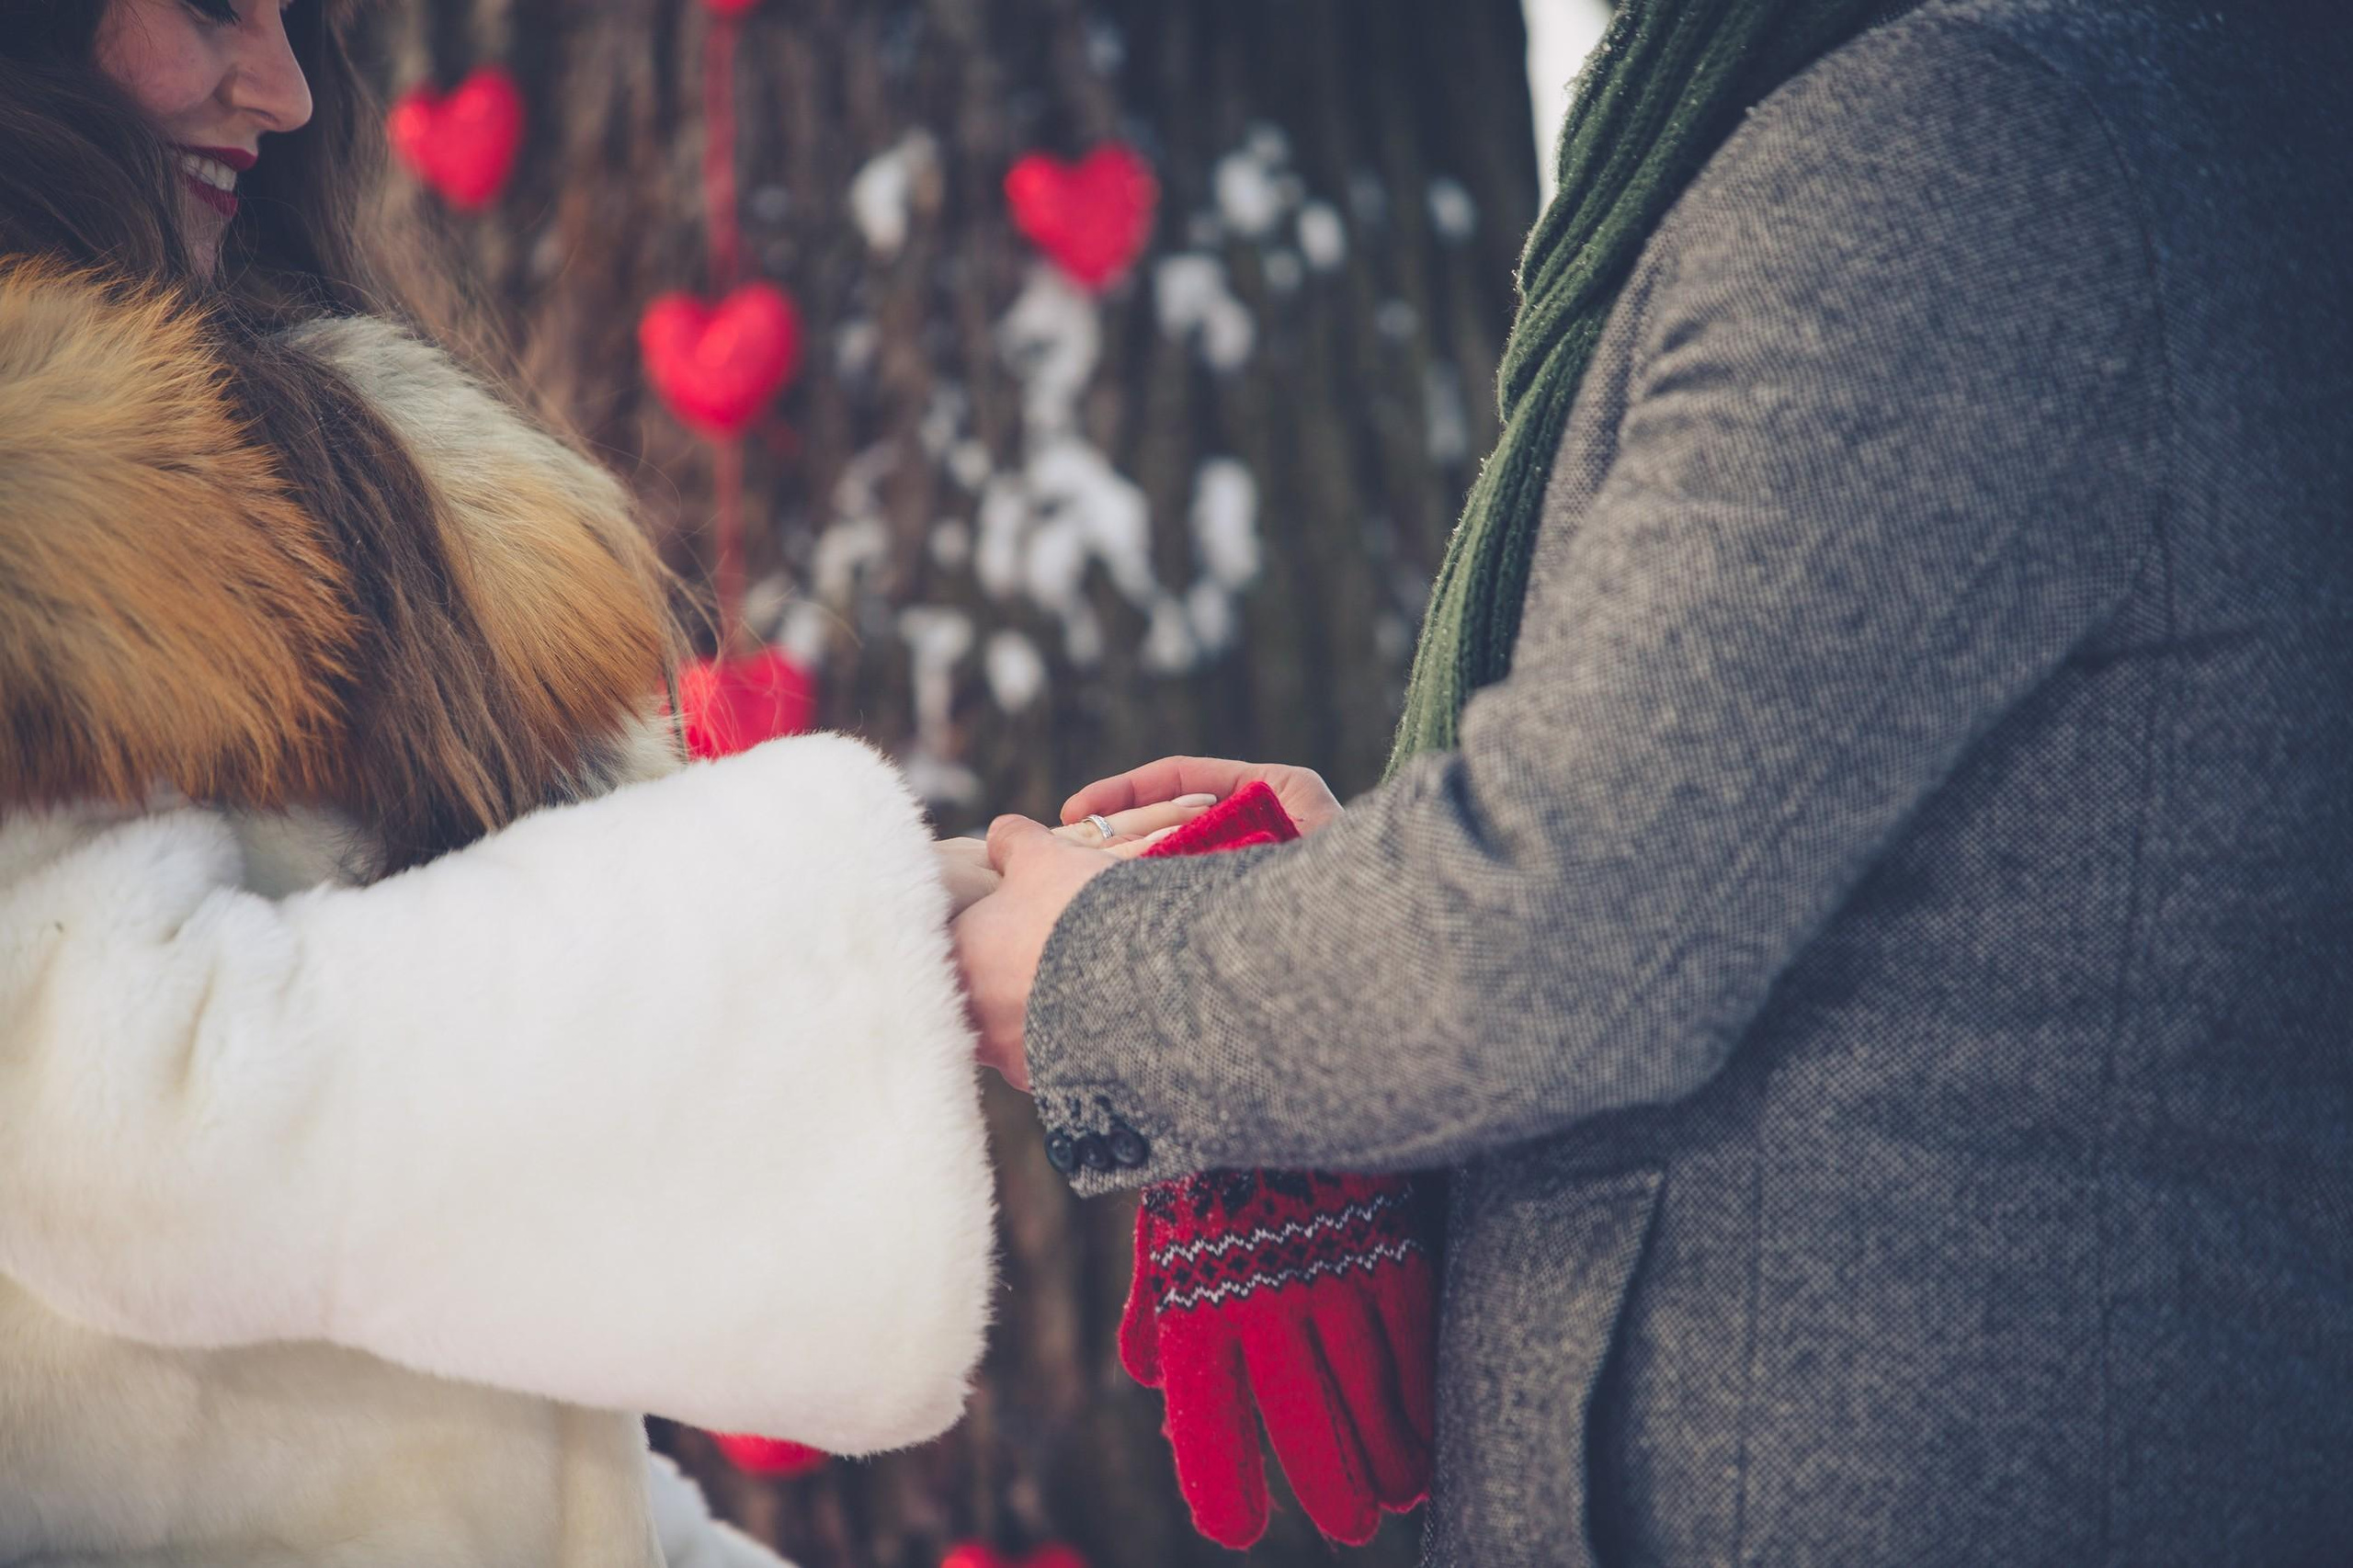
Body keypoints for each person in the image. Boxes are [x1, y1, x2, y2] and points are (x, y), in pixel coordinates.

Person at [956, 0, 2353, 1562]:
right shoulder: (2194, 106)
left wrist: (1097, 977)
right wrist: (1346, 909)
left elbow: (1547, 941)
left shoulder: (1963, 149)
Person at [0, 2, 1191, 1560]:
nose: (286, 92)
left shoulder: (301, 454)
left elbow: (486, 1455)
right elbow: (128, 1110)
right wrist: (872, 945)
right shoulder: (52, 492)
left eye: (301, 16)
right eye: (214, 4)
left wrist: (923, 899)